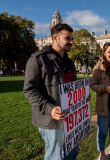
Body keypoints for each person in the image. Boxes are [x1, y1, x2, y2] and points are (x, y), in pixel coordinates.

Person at [24, 23, 91, 160]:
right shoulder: (38, 59)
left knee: (72, 152)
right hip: (51, 120)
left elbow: (71, 86)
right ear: (55, 38)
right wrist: (50, 109)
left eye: (72, 39)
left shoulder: (69, 62)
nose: (71, 42)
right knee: (55, 156)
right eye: (68, 38)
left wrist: (82, 97)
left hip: (72, 117)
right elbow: (29, 90)